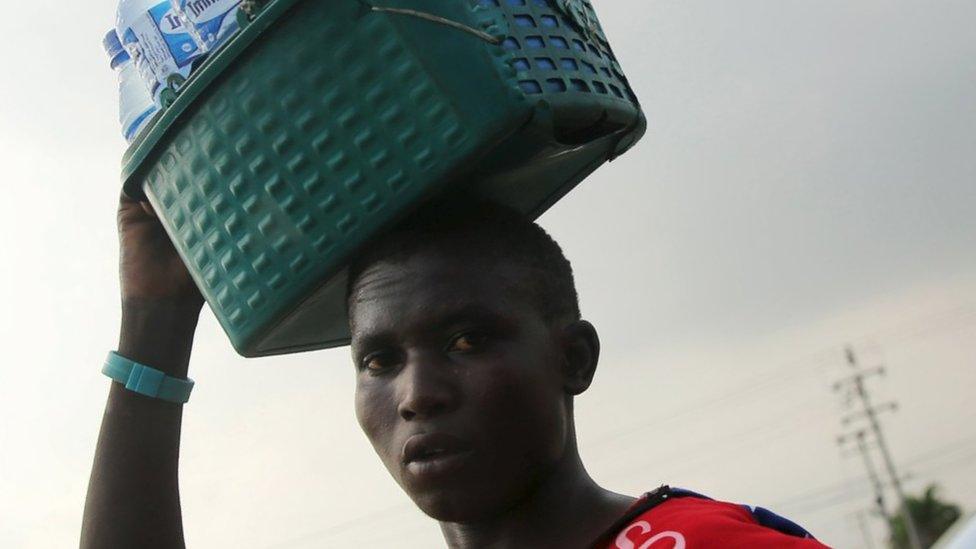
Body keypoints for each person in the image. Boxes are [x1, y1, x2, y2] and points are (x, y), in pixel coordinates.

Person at [82, 194, 831, 548]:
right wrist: (157, 320)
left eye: (468, 340)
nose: (417, 394)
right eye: (379, 360)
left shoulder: (700, 544)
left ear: (573, 358)